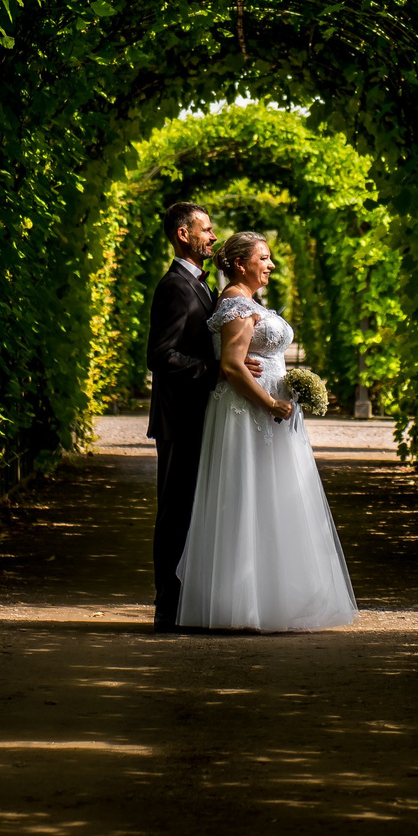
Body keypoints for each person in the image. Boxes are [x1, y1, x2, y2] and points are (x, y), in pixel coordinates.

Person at [174, 230, 358, 631]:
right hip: (248, 413)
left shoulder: (249, 302)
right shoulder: (236, 304)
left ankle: (275, 595)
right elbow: (231, 366)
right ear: (241, 264)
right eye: (264, 258)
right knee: (248, 496)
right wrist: (271, 402)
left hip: (269, 413)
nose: (271, 264)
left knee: (274, 498)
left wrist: (291, 387)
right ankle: (243, 603)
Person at [147, 200, 254, 629]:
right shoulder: (174, 286)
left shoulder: (201, 285)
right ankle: (166, 610)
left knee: (194, 509)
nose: (212, 236)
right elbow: (161, 356)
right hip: (179, 418)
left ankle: (187, 604)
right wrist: (217, 373)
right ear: (183, 234)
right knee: (174, 513)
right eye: (205, 230)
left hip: (199, 414)